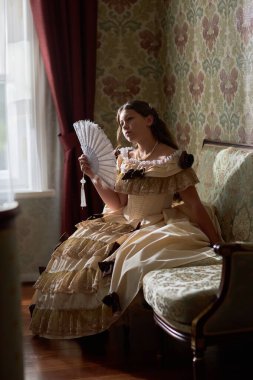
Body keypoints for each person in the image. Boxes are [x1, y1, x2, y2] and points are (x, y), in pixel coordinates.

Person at [30, 100, 222, 339]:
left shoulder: (173, 160)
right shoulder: (125, 158)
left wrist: (217, 243)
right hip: (125, 219)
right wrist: (92, 175)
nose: (125, 127)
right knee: (78, 247)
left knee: (123, 258)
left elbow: (193, 204)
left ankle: (103, 320)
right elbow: (117, 204)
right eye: (122, 123)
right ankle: (84, 324)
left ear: (149, 120)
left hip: (156, 223)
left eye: (130, 119)